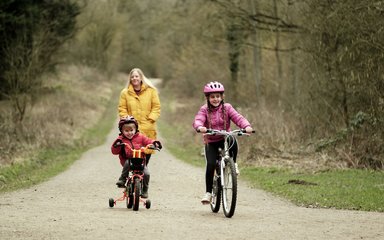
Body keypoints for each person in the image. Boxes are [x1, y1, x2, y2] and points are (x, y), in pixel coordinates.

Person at [192, 81, 253, 204]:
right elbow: (198, 119)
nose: (215, 99)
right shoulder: (204, 110)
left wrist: (246, 126)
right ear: (208, 98)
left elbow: (238, 117)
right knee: (210, 165)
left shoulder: (227, 108)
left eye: (218, 96)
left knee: (232, 137)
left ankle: (233, 163)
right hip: (211, 141)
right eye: (212, 97)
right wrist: (200, 127)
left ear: (222, 97)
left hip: (225, 138)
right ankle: (208, 193)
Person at [118, 68, 161, 165]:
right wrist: (127, 121)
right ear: (130, 79)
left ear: (141, 77)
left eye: (136, 76)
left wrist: (151, 119)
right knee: (131, 153)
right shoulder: (125, 93)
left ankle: (143, 174)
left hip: (148, 127)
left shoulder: (151, 91)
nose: (134, 78)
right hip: (131, 128)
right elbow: (122, 108)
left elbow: (156, 107)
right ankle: (132, 174)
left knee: (147, 152)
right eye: (132, 77)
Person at [111, 117, 162, 198]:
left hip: (140, 160)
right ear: (122, 131)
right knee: (128, 163)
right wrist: (117, 144)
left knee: (147, 174)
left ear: (136, 129)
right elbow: (114, 151)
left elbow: (148, 141)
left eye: (131, 130)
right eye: (126, 131)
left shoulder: (140, 137)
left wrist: (154, 143)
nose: (129, 133)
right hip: (127, 160)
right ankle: (122, 179)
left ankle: (145, 190)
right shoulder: (121, 139)